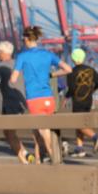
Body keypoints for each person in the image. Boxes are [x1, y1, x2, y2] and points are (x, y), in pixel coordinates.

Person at [11, 26, 72, 162]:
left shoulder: (22, 56)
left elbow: (13, 79)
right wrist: (52, 74)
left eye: (23, 40)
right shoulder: (47, 54)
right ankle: (39, 161)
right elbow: (68, 69)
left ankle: (57, 162)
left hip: (34, 99)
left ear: (26, 39)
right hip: (49, 98)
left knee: (44, 134)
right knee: (39, 132)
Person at [0, 42, 31, 164]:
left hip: (9, 104)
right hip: (24, 102)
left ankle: (24, 161)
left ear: (3, 53)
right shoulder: (19, 64)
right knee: (8, 132)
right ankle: (25, 153)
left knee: (9, 133)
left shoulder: (0, 67)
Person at [63, 48, 98, 158]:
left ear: (73, 59)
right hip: (88, 100)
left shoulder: (71, 72)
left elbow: (71, 88)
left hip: (78, 101)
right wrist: (92, 90)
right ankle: (79, 148)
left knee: (78, 123)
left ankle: (96, 137)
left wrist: (66, 97)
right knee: (82, 123)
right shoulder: (90, 69)